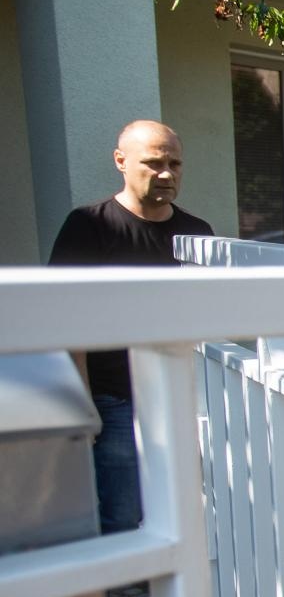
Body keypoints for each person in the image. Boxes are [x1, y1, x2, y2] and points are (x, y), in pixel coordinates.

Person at [48, 120, 214, 533]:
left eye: (175, 163)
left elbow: (208, 317)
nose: (166, 174)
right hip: (113, 397)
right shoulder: (89, 226)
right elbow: (66, 321)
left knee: (181, 505)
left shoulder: (196, 234)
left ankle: (164, 590)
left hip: (178, 392)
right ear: (121, 161)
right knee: (122, 511)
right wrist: (81, 402)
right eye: (153, 163)